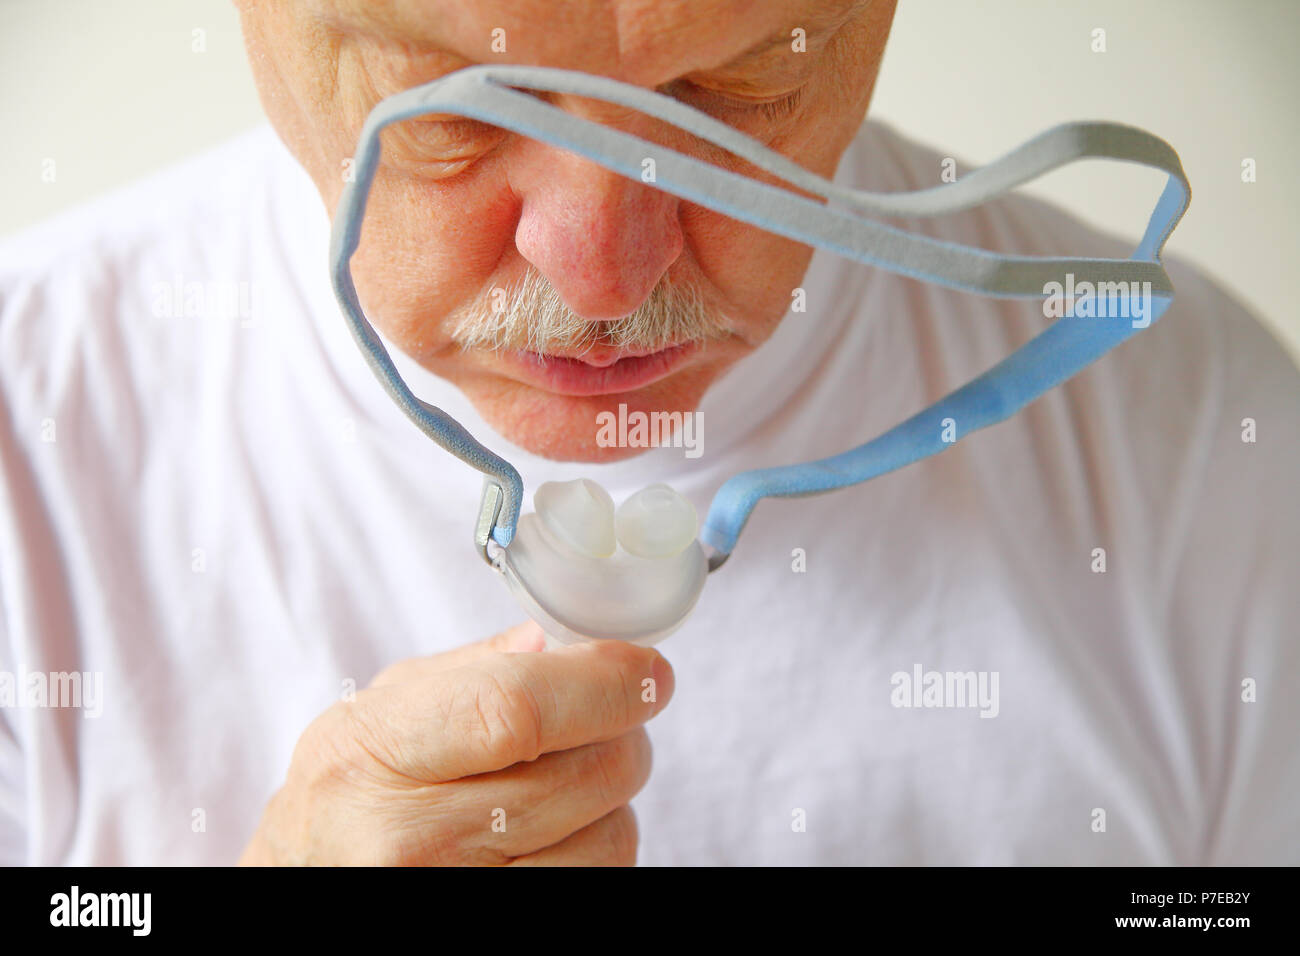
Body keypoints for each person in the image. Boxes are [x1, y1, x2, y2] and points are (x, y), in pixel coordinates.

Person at [1, 0, 1296, 866]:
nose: (601, 279)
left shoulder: (1216, 459)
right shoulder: (29, 440)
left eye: (741, 89)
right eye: (456, 109)